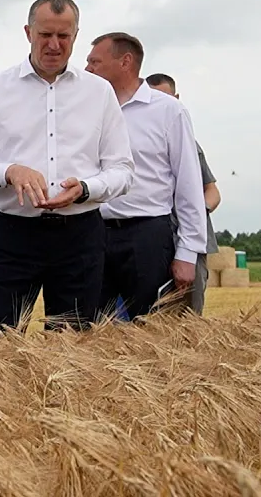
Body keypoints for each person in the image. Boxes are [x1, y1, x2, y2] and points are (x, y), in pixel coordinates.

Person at [0, 0, 134, 332]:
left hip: (80, 237)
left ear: (76, 36)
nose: (54, 45)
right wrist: (9, 172)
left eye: (63, 36)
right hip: (13, 235)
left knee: (73, 348)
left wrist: (85, 189)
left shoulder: (100, 93)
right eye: (45, 35)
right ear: (28, 33)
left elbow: (123, 171)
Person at [84, 34, 207, 320]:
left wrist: (188, 252)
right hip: (92, 233)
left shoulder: (168, 111)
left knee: (151, 329)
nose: (87, 68)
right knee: (90, 328)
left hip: (147, 236)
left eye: (95, 62)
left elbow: (188, 183)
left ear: (125, 62)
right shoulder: (86, 110)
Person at [146, 72, 222, 314]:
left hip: (188, 240)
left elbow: (212, 192)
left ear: (177, 98)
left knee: (188, 314)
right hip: (154, 237)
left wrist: (196, 212)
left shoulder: (188, 142)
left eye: (165, 98)